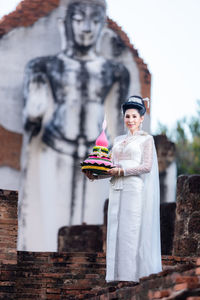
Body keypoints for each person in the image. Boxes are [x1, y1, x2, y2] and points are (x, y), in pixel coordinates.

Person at [18, 0, 129, 251]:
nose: (87, 28)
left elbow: (119, 126)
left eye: (95, 21)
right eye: (79, 20)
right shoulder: (43, 66)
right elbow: (31, 117)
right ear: (65, 24)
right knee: (46, 230)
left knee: (93, 227)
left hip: (96, 154)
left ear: (103, 26)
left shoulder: (115, 71)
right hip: (55, 149)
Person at [85, 95, 162, 282]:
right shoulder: (118, 140)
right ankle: (115, 278)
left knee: (131, 232)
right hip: (116, 188)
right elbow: (110, 168)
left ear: (142, 118)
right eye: (127, 116)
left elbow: (146, 166)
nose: (130, 120)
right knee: (115, 231)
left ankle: (131, 278)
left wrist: (122, 170)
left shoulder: (146, 140)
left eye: (134, 116)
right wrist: (95, 175)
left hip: (133, 189)